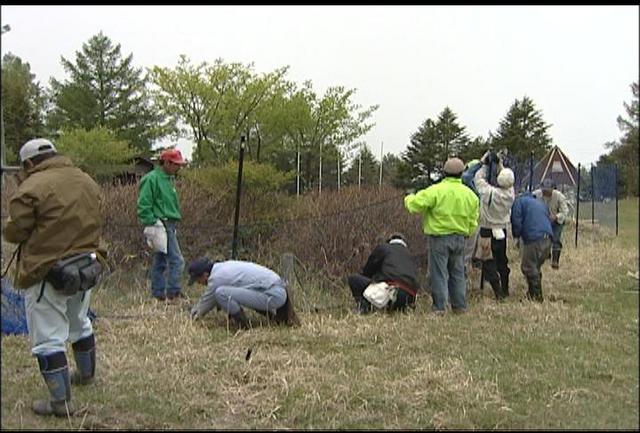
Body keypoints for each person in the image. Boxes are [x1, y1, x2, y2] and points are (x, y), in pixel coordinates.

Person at [3, 138, 105, 417]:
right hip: (87, 266)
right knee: (80, 323)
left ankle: (60, 404)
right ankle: (86, 376)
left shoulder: (32, 187)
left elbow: (14, 232)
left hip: (48, 270)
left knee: (48, 337)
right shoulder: (86, 180)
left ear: (28, 163)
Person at [404, 157, 480, 314]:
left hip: (439, 239)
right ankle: (459, 306)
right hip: (460, 238)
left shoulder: (436, 190)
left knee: (439, 273)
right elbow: (474, 221)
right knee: (458, 273)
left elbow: (414, 206)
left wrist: (408, 196)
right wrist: (467, 233)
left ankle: (440, 307)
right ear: (461, 173)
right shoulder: (470, 195)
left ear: (444, 173)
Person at [187, 257, 300, 329]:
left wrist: (193, 316)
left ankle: (244, 326)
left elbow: (206, 303)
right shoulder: (223, 266)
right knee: (230, 292)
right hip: (276, 289)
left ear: (205, 275)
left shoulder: (218, 277)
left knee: (221, 293)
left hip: (274, 294)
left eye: (198, 280)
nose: (199, 283)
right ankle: (277, 319)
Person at [137, 148, 187, 301]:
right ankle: (173, 292)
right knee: (177, 261)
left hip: (169, 223)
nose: (178, 167)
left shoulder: (168, 178)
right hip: (162, 223)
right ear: (166, 162)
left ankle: (158, 292)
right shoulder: (152, 179)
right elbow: (143, 204)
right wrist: (154, 223)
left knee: (160, 260)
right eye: (176, 164)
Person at [474, 152, 516, 301]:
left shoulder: (489, 193)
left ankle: (497, 291)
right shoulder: (511, 194)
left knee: (488, 261)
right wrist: (499, 164)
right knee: (502, 260)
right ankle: (505, 288)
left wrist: (484, 164)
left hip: (487, 230)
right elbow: (505, 178)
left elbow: (478, 179)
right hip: (502, 230)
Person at [347, 233, 420, 314]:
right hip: (409, 297)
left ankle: (365, 307)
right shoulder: (410, 256)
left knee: (353, 279)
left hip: (391, 290)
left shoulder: (384, 248)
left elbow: (368, 271)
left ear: (389, 241)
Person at [511, 191, 553, 302]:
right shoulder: (540, 203)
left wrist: (516, 235)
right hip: (548, 238)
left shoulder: (519, 202)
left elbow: (516, 220)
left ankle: (537, 297)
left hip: (534, 238)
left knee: (528, 267)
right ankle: (531, 294)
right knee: (535, 267)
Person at [533, 179, 569, 269]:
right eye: (544, 190)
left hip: (556, 221)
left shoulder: (559, 196)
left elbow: (565, 211)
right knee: (541, 239)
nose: (546, 192)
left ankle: (555, 261)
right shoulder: (536, 195)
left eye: (548, 190)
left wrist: (556, 217)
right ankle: (545, 255)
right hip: (542, 220)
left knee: (556, 239)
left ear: (553, 189)